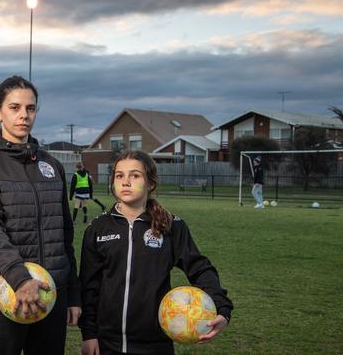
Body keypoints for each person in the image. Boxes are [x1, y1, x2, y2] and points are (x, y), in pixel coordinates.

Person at [0, 75, 81, 355]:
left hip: (49, 294)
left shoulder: (51, 165)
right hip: (5, 294)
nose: (24, 115)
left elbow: (64, 235)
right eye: (14, 108)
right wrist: (20, 278)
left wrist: (71, 294)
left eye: (30, 109)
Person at [79, 150, 233, 355]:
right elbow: (89, 285)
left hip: (155, 344)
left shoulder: (171, 226)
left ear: (150, 183)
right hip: (107, 343)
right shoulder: (98, 228)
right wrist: (89, 334)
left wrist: (222, 308)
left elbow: (200, 268)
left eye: (135, 175)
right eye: (119, 175)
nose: (126, 182)